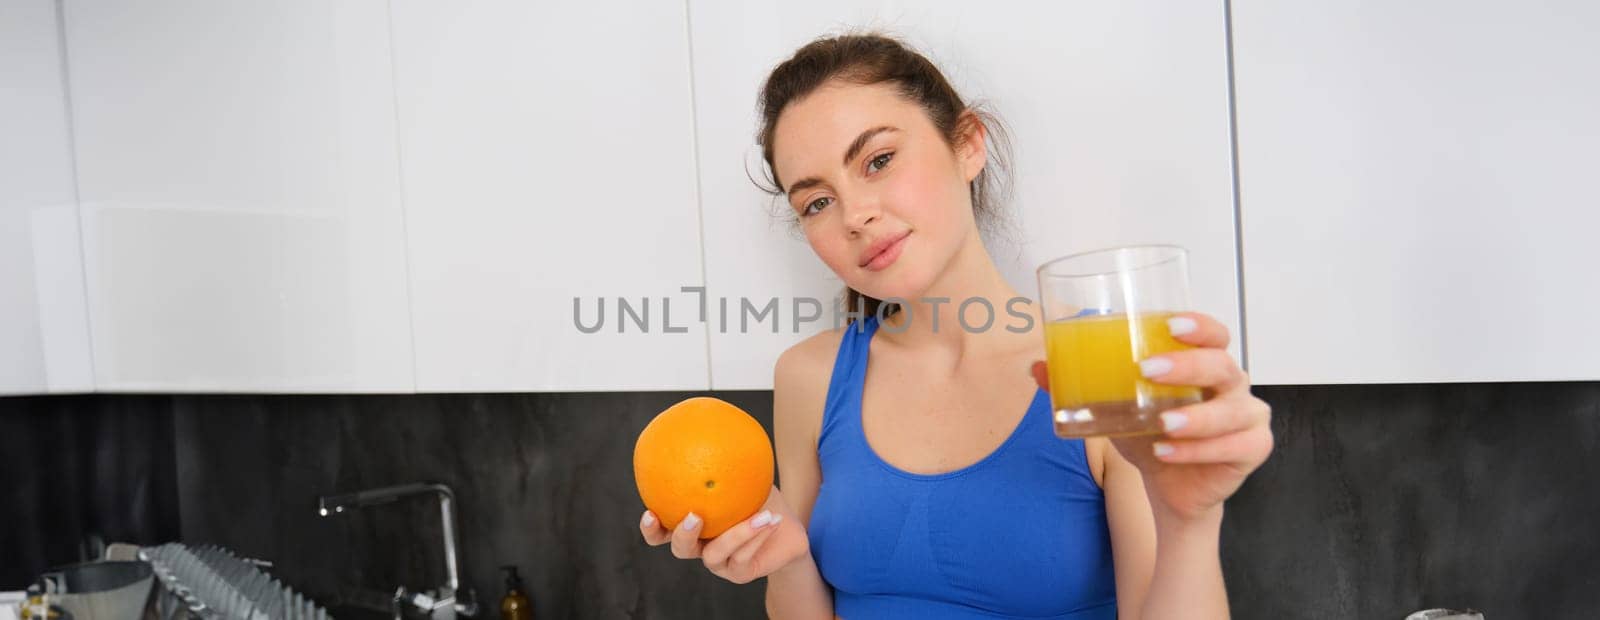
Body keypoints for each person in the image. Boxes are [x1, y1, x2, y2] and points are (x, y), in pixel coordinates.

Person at [640, 33, 1273, 619]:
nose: (855, 215)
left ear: (967, 144)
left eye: (879, 159)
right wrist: (788, 555)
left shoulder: (1100, 364)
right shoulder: (811, 376)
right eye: (818, 202)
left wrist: (1190, 523)